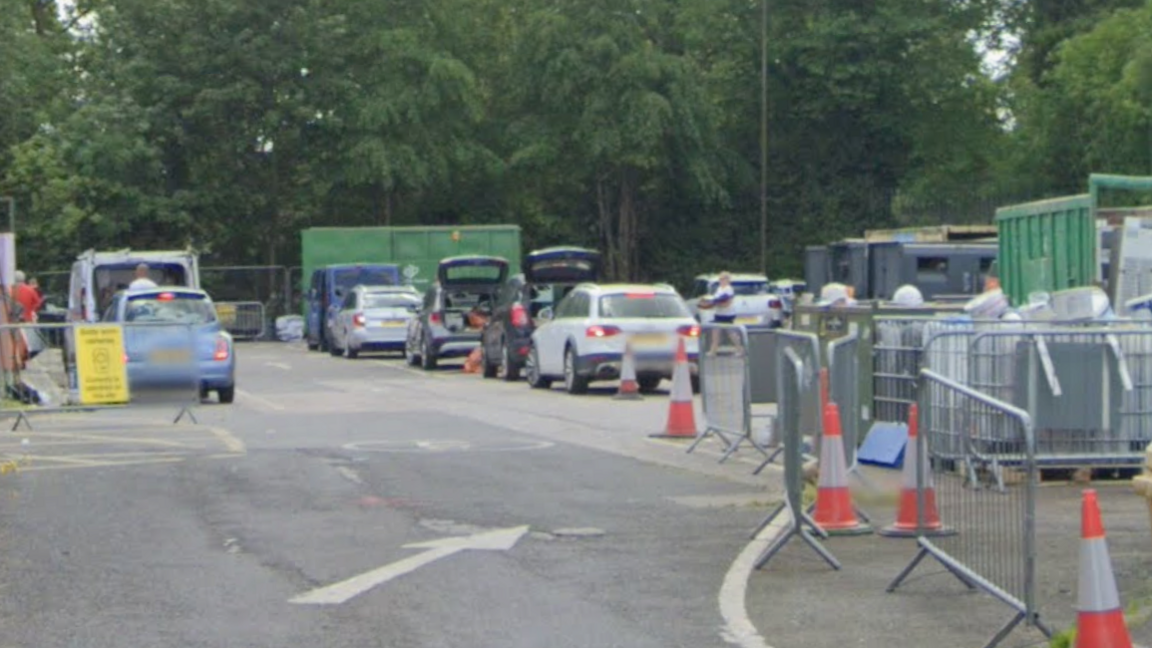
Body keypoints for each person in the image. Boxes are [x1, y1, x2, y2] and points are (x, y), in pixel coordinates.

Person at [699, 272, 743, 356]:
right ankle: (713, 351)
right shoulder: (719, 288)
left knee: (730, 333)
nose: (721, 280)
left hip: (727, 315)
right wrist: (710, 303)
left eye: (723, 279)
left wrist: (714, 304)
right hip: (719, 314)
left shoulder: (729, 289)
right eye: (720, 279)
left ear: (728, 280)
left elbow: (727, 303)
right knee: (716, 332)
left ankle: (740, 350)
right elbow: (716, 300)